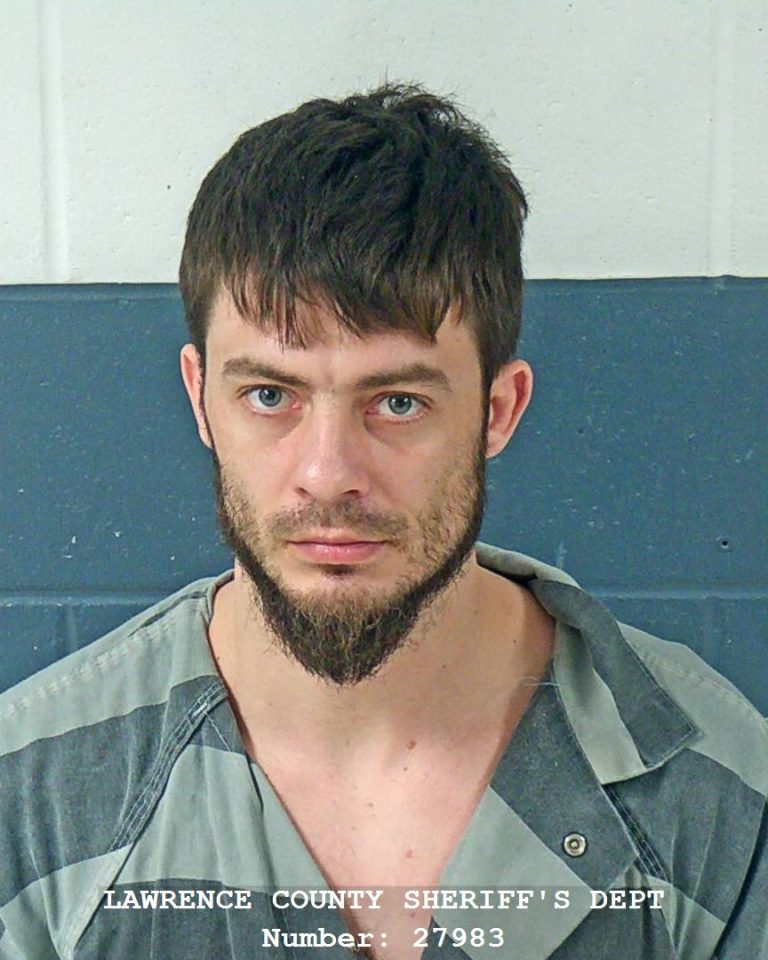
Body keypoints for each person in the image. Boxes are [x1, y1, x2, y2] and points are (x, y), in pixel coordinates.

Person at [0, 84, 766, 960]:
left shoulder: (715, 790)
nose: (329, 473)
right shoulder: (32, 799)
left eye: (398, 401)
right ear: (200, 398)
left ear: (497, 410)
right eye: (270, 395)